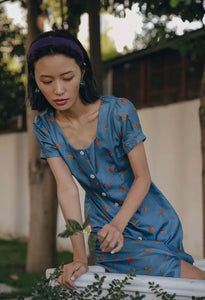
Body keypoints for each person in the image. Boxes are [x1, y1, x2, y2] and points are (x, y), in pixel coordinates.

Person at [27, 29, 205, 290]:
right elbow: (66, 189)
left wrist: (118, 224)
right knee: (176, 287)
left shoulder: (118, 110)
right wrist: (80, 256)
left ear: (83, 71)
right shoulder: (45, 126)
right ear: (34, 80)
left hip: (150, 219)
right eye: (46, 81)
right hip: (106, 231)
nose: (58, 90)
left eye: (67, 77)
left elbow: (143, 177)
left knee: (184, 288)